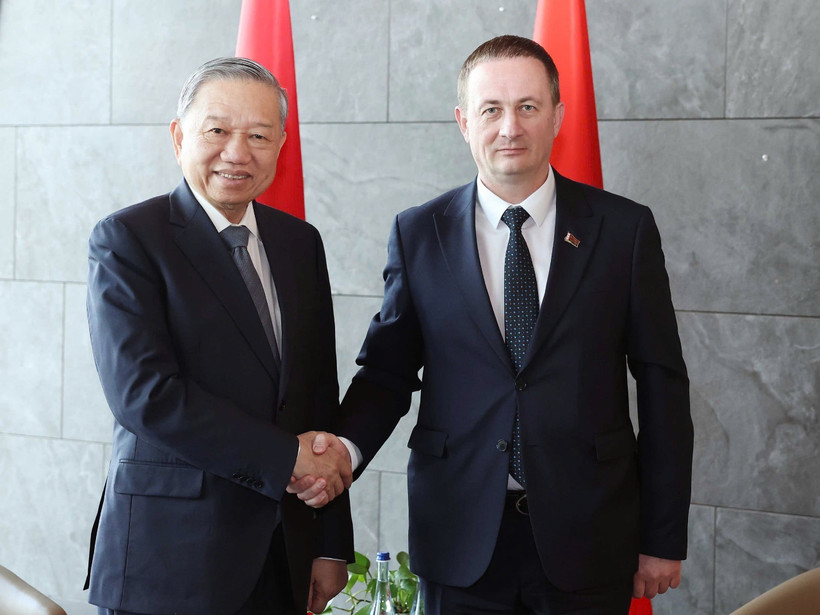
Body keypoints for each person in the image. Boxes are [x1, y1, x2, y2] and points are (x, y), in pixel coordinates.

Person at [294, 35, 693, 614]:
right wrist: (342, 453)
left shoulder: (623, 231)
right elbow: (386, 374)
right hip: (458, 538)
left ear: (557, 115)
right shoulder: (418, 233)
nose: (511, 127)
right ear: (463, 121)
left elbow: (662, 385)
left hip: (589, 538)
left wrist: (661, 535)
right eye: (491, 109)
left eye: (528, 107)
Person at [84, 57, 353, 615]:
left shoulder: (300, 243)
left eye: (258, 135)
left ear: (280, 145)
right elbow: (145, 397)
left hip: (284, 554)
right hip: (170, 561)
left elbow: (315, 399)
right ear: (180, 136)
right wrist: (286, 459)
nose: (237, 151)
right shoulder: (130, 239)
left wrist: (329, 544)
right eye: (217, 131)